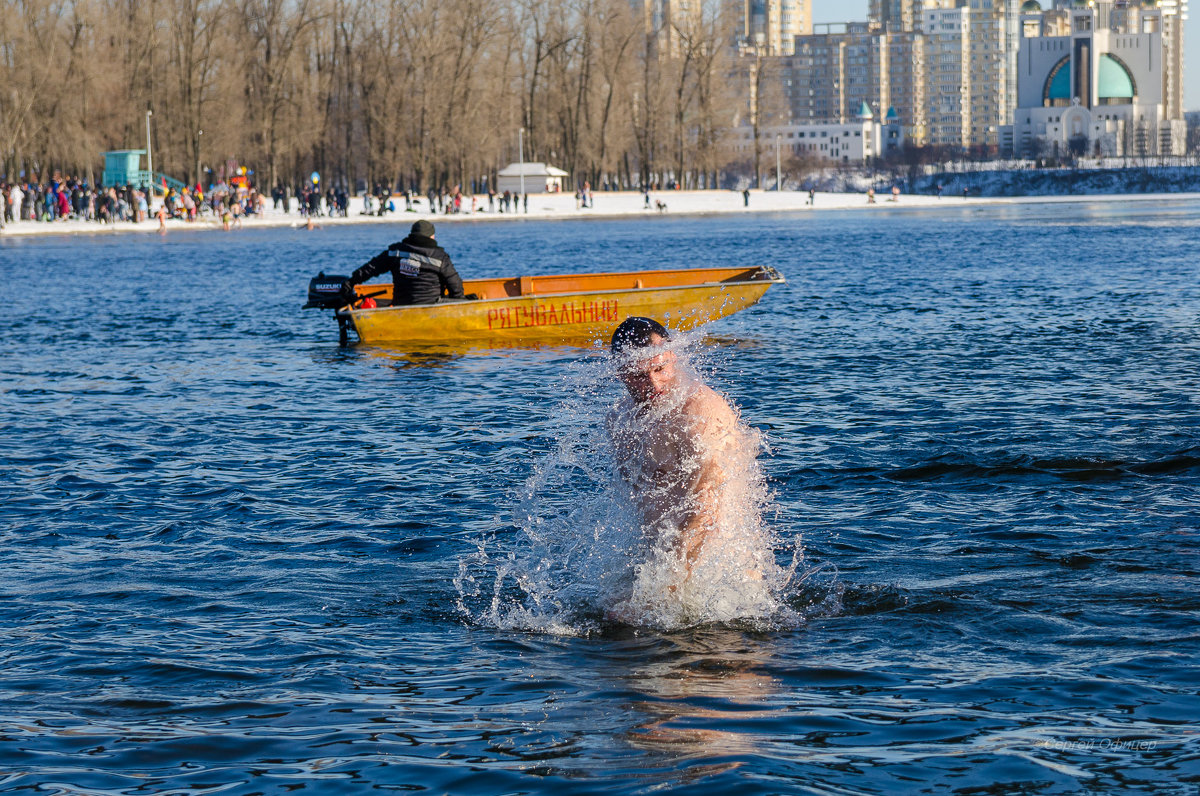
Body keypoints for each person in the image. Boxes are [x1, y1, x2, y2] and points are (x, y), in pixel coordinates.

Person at [607, 317, 766, 589]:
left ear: (673, 358)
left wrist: (663, 590)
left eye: (660, 369)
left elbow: (707, 508)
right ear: (620, 373)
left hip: (720, 576)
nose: (654, 384)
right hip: (667, 564)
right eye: (638, 376)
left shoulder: (699, 413)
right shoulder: (621, 419)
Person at [348, 219, 463, 305]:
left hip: (401, 305)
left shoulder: (395, 252)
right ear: (431, 236)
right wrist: (458, 304)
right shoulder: (440, 257)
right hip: (431, 307)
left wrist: (351, 282)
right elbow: (456, 286)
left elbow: (371, 268)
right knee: (471, 298)